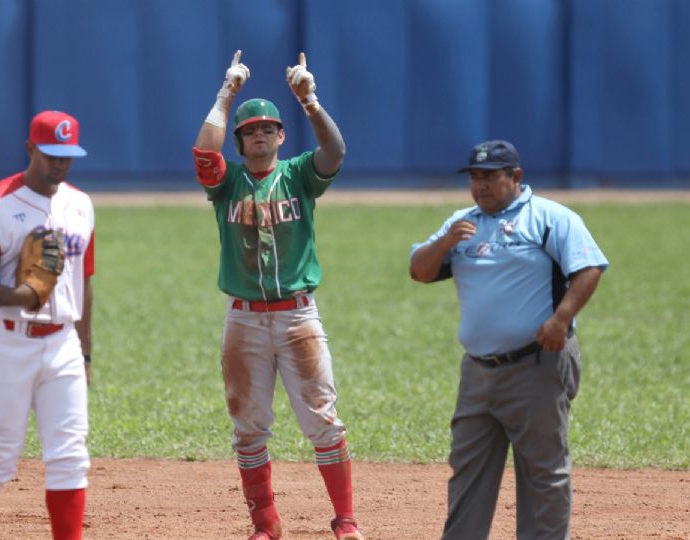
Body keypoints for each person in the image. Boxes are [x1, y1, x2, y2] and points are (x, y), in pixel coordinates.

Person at [192, 50, 363, 540]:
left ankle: (345, 521)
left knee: (324, 422)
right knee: (249, 427)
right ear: (241, 141)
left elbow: (336, 153)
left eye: (268, 128)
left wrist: (309, 100)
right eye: (250, 131)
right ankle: (265, 525)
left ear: (281, 136)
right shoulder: (226, 184)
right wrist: (227, 95)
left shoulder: (299, 175)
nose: (260, 135)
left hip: (298, 317)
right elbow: (204, 154)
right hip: (243, 320)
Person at [409, 140, 609, 539]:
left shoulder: (550, 218)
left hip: (537, 364)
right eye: (475, 178)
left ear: (515, 177)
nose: (480, 187)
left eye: (490, 177)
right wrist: (446, 242)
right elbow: (419, 270)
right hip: (478, 371)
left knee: (543, 471)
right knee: (467, 470)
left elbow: (589, 268)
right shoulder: (461, 222)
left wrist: (561, 318)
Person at [0, 110, 95, 540]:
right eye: (51, 155)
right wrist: (22, 296)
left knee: (70, 456)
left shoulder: (82, 205)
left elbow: (84, 283)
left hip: (64, 343)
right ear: (31, 148)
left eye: (68, 156)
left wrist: (85, 352)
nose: (60, 164)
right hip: (5, 342)